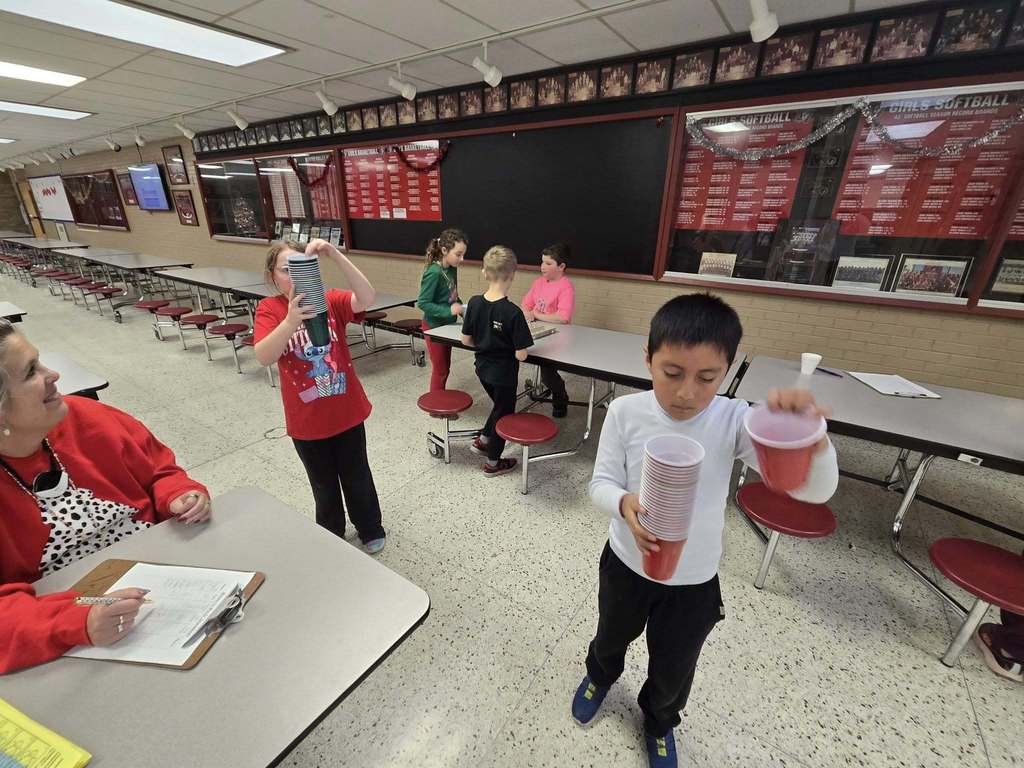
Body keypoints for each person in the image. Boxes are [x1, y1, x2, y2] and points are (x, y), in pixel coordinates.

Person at [571, 294, 839, 768]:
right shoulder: (626, 413)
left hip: (693, 581)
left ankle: (659, 720)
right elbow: (600, 484)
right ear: (648, 358)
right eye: (671, 373)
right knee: (611, 633)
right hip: (626, 563)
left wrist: (809, 437)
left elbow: (811, 490)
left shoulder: (735, 420)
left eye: (707, 378)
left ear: (728, 369)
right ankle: (600, 674)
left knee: (675, 665)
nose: (687, 393)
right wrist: (623, 505)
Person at [0, 320, 211, 674]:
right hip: (75, 627)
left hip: (162, 579)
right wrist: (75, 623)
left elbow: (158, 469)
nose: (53, 374)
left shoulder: (89, 418)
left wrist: (177, 494)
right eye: (31, 372)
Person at [254, 239, 386, 553]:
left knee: (357, 476)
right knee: (323, 485)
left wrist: (335, 255)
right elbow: (263, 355)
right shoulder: (270, 310)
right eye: (288, 270)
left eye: (304, 268)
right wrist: (290, 321)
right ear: (274, 276)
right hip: (307, 422)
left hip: (347, 412)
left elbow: (366, 297)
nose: (296, 277)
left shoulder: (329, 300)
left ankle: (369, 527)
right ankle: (331, 535)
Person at [461, 246, 533, 477]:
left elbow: (466, 340)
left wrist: (486, 344)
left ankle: (482, 440)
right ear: (512, 275)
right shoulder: (513, 313)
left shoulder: (473, 303)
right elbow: (521, 354)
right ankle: (493, 463)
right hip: (504, 375)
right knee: (504, 413)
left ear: (484, 272)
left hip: (482, 370)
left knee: (499, 406)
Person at [522, 243, 576, 417]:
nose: (542, 267)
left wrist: (536, 314)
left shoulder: (565, 286)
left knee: (547, 375)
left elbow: (563, 317)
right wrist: (528, 312)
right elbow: (525, 304)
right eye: (542, 262)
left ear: (561, 267)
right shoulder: (539, 282)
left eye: (548, 264)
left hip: (556, 337)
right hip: (536, 332)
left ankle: (561, 397)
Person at [416, 228, 468, 391]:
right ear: (444, 250)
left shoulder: (452, 268)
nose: (462, 258)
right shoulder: (433, 273)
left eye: (463, 254)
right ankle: (436, 405)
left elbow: (453, 295)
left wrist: (463, 310)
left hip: (447, 327)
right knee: (440, 370)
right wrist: (448, 311)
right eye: (458, 254)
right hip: (433, 327)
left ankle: (440, 398)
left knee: (446, 367)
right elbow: (423, 303)